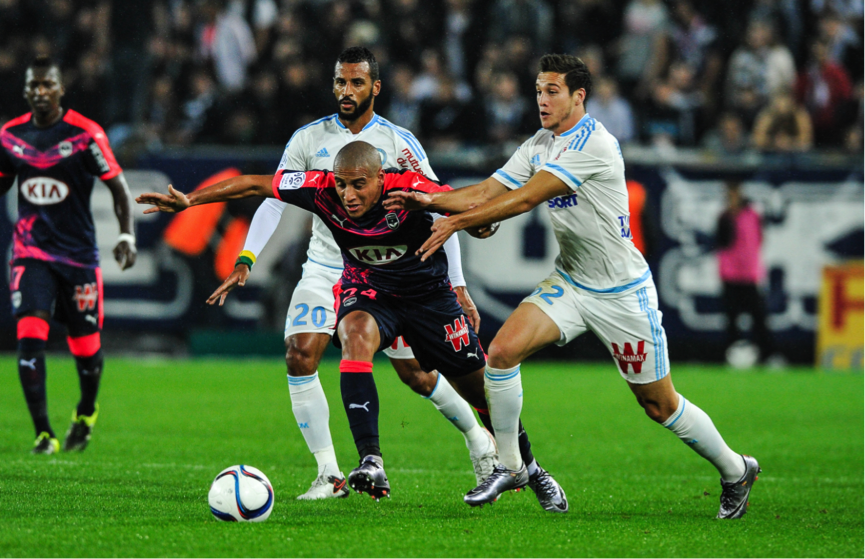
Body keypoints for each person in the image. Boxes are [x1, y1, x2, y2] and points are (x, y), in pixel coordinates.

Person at [385, 54, 760, 519]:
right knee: (500, 354)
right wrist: (431, 199)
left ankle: (736, 469)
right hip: (572, 280)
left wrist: (454, 223)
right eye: (538, 90)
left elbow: (525, 198)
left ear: (579, 95)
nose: (541, 99)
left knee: (659, 405)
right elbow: (489, 190)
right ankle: (510, 465)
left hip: (622, 291)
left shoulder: (594, 143)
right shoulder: (541, 141)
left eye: (552, 91)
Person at [137, 141, 567, 511]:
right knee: (354, 335)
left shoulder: (407, 187)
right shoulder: (320, 188)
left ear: (381, 178)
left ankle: (530, 468)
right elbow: (253, 183)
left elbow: (461, 202)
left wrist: (479, 222)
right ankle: (370, 461)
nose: (348, 193)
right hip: (369, 290)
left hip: (428, 299)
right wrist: (192, 199)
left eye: (359, 183)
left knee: (479, 391)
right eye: (342, 183)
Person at [213, 47, 496, 501]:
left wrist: (457, 284)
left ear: (375, 87)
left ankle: (479, 439)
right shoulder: (307, 139)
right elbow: (271, 198)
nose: (347, 91)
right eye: (340, 82)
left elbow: (441, 212)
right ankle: (329, 473)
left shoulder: (400, 144)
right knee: (299, 354)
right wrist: (247, 257)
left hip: (386, 271)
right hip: (326, 264)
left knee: (416, 376)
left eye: (356, 83)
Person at [0, 56, 137, 454]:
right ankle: (43, 433)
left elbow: (118, 188)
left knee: (87, 348)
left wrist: (127, 234)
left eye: (47, 85)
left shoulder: (85, 134)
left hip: (78, 257)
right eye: (33, 85)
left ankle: (86, 411)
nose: (40, 91)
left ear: (61, 89)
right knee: (29, 336)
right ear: (26, 91)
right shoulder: (9, 136)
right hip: (31, 253)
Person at [716, 179, 776, 363]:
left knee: (759, 318)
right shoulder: (724, 218)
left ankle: (768, 356)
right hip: (730, 275)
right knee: (731, 319)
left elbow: (757, 241)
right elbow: (721, 243)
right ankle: (730, 356)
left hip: (749, 275)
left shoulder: (752, 215)